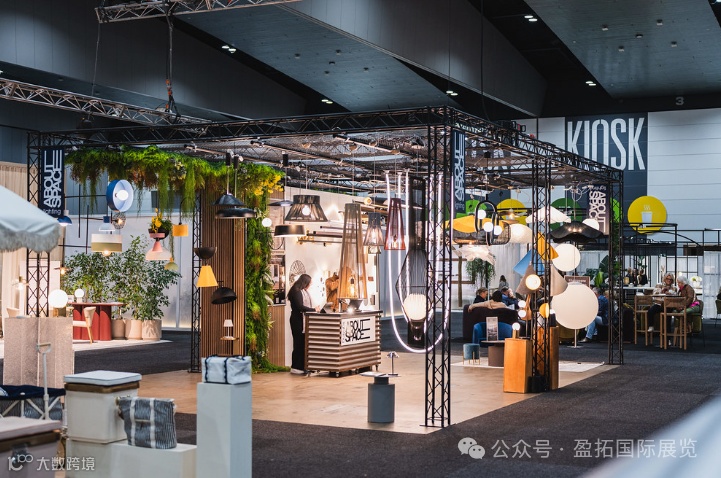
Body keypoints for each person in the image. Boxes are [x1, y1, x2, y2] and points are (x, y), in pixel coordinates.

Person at [287, 274, 320, 375]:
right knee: (298, 343)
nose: (309, 285)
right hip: (297, 320)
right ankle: (296, 367)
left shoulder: (303, 291)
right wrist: (314, 310)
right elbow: (300, 307)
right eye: (309, 283)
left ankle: (304, 366)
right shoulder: (296, 291)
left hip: (303, 319)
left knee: (303, 343)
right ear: (305, 282)